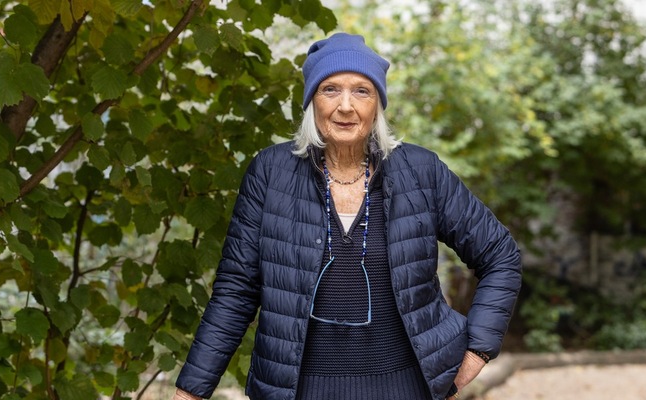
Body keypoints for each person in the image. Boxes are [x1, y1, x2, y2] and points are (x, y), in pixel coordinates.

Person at [172, 33, 521, 400]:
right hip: (299, 391)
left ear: (377, 105)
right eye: (330, 89)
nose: (345, 106)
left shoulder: (421, 171)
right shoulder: (270, 172)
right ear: (311, 101)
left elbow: (500, 255)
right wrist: (191, 391)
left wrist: (477, 350)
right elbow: (235, 291)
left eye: (361, 91)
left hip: (406, 388)